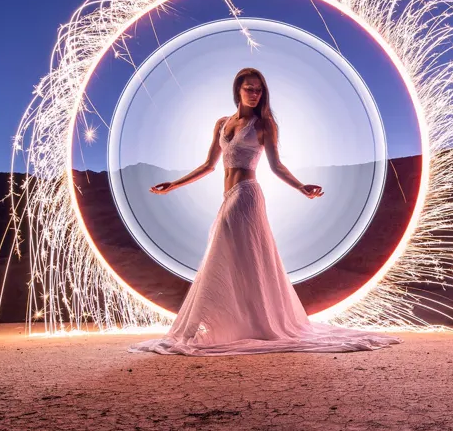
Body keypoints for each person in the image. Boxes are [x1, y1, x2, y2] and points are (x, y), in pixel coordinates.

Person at [129, 67, 401, 356]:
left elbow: (276, 166)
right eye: (249, 88)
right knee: (238, 260)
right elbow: (209, 165)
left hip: (246, 196)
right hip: (227, 196)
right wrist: (174, 185)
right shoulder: (222, 123)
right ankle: (242, 323)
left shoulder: (264, 125)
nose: (254, 93)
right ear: (238, 90)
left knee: (222, 256)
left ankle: (216, 325)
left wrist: (300, 187)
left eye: (258, 89)